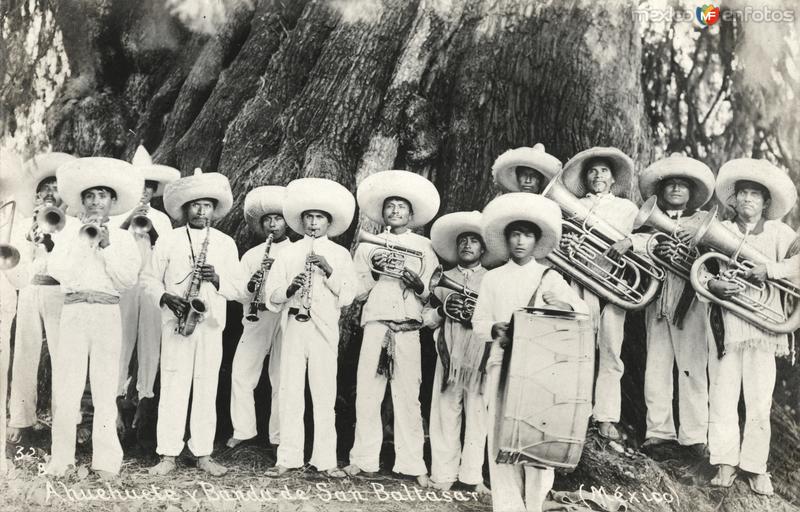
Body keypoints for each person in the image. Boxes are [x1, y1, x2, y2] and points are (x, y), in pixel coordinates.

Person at [472, 193, 588, 512]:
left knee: (540, 434)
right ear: (507, 239)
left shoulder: (550, 277)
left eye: (527, 235)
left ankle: (535, 503)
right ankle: (508, 505)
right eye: (515, 234)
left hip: (541, 369)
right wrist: (495, 329)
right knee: (500, 434)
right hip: (501, 362)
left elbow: (579, 314)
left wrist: (565, 306)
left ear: (536, 241)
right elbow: (478, 319)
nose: (520, 241)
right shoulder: (493, 278)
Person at [699, 158, 797, 495]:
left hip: (763, 330)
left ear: (766, 203)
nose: (747, 201)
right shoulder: (719, 230)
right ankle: (724, 463)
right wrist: (713, 285)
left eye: (755, 195)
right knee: (722, 397)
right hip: (725, 326)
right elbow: (702, 268)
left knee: (759, 403)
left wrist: (770, 270)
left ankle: (756, 467)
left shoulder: (781, 233)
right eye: (742, 195)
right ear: (733, 200)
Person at [45, 156, 142, 478]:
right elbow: (58, 272)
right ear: (82, 201)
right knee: (67, 388)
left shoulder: (125, 238)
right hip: (73, 311)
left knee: (104, 388)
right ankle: (61, 461)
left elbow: (127, 280)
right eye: (90, 195)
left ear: (113, 202)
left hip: (105, 313)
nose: (96, 201)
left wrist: (107, 246)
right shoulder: (68, 235)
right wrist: (84, 243)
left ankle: (106, 461)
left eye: (103, 195)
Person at [143, 168, 241, 477]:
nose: (201, 211)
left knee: (206, 388)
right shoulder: (170, 240)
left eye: (207, 205)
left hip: (209, 325)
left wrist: (217, 279)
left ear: (215, 209)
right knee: (173, 386)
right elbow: (147, 279)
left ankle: (203, 453)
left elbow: (238, 289)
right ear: (186, 208)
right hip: (177, 323)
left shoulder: (226, 243)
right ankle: (168, 454)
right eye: (195, 205)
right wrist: (165, 297)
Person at [345, 170, 440, 486]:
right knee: (368, 396)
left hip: (408, 329)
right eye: (390, 206)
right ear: (383, 212)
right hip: (375, 326)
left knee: (408, 397)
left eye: (402, 207)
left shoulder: (425, 247)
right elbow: (355, 292)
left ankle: (413, 464)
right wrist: (375, 273)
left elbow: (432, 295)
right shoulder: (368, 246)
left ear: (412, 215)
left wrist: (418, 285)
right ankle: (363, 459)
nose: (396, 211)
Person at [263, 178, 357, 478]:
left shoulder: (340, 255)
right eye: (309, 217)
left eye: (319, 218)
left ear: (329, 222)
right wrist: (291, 289)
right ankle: (288, 458)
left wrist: (328, 270)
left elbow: (349, 295)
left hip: (324, 329)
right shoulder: (289, 253)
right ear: (301, 220)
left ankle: (325, 460)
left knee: (324, 394)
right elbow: (271, 296)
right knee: (290, 392)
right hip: (294, 326)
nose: (313, 223)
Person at [633, 153, 715, 457]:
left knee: (693, 367)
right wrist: (655, 247)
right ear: (661, 190)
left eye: (683, 185)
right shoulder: (649, 220)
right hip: (657, 299)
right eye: (671, 185)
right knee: (657, 365)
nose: (677, 189)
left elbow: (712, 261)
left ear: (692, 193)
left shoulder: (702, 222)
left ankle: (694, 436)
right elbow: (635, 246)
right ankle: (658, 432)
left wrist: (687, 256)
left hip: (691, 300)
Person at [559, 147, 639, 441]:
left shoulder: (627, 209)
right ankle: (576, 413)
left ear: (613, 177)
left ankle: (605, 417)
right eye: (592, 171)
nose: (598, 176)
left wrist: (629, 242)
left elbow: (645, 237)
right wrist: (566, 241)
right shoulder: (571, 204)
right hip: (581, 281)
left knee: (611, 352)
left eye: (604, 170)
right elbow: (559, 234)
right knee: (579, 348)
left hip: (615, 284)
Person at [6, 152, 78, 445]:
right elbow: (14, 262)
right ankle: (22, 420)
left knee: (64, 355)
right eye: (43, 190)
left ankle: (67, 420)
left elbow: (72, 262)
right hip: (30, 290)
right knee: (24, 353)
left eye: (54, 188)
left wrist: (51, 240)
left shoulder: (70, 226)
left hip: (58, 291)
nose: (49, 194)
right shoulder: (24, 224)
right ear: (36, 196)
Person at [110, 145, 178, 434]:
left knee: (151, 346)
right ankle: (114, 409)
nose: (144, 192)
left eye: (149, 187)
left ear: (154, 191)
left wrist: (153, 232)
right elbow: (108, 247)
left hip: (151, 287)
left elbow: (170, 253)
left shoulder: (161, 219)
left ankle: (144, 408)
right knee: (120, 344)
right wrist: (128, 220)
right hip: (123, 286)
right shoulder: (117, 217)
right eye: (139, 186)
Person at [422, 211, 489, 492]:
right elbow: (425, 315)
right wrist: (441, 311)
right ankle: (444, 474)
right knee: (445, 413)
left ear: (483, 249)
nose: (467, 245)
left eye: (474, 241)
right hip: (448, 352)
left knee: (477, 415)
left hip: (479, 354)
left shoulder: (492, 279)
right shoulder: (443, 277)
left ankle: (473, 477)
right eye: (463, 240)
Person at [228, 186, 292, 450]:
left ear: (288, 222)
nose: (273, 224)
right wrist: (254, 282)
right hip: (258, 316)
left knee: (282, 376)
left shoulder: (296, 251)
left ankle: (278, 437)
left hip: (287, 317)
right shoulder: (253, 255)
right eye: (268, 220)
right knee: (242, 372)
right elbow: (237, 292)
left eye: (278, 218)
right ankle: (244, 430)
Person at [491, 143, 562, 194]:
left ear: (541, 180)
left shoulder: (550, 205)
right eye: (523, 175)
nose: (528, 180)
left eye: (534, 176)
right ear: (517, 177)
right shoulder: (507, 202)